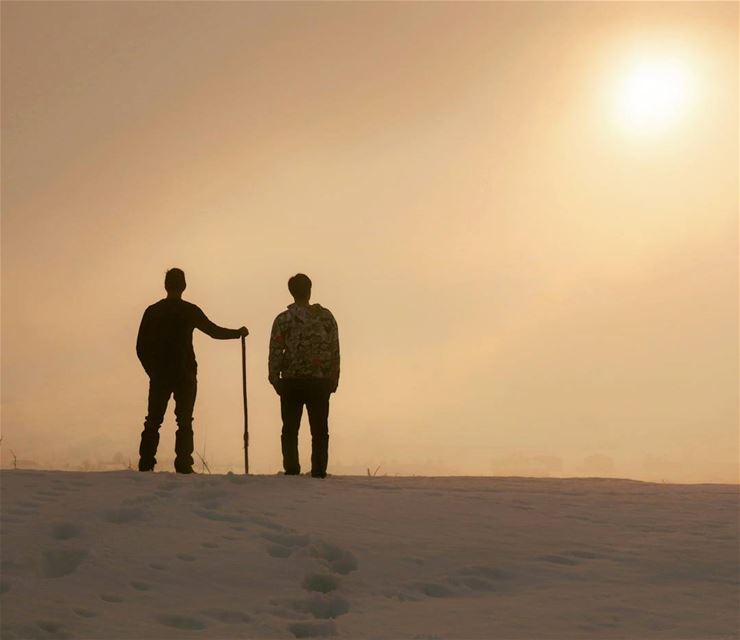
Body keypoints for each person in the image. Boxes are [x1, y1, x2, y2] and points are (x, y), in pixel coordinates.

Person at [136, 268, 248, 473]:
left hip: (160, 375)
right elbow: (213, 331)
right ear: (184, 286)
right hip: (185, 374)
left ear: (165, 285)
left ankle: (146, 463)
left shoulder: (152, 311)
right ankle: (184, 463)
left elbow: (140, 347)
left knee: (153, 419)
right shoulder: (189, 310)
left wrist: (152, 371)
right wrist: (237, 333)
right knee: (185, 420)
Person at [269, 273, 340, 478]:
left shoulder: (284, 319)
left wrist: (275, 378)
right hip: (319, 381)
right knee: (319, 431)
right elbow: (335, 349)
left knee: (290, 430)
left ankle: (292, 469)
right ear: (310, 290)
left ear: (291, 292)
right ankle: (319, 470)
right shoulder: (326, 317)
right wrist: (333, 378)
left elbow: (276, 350)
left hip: (291, 382)